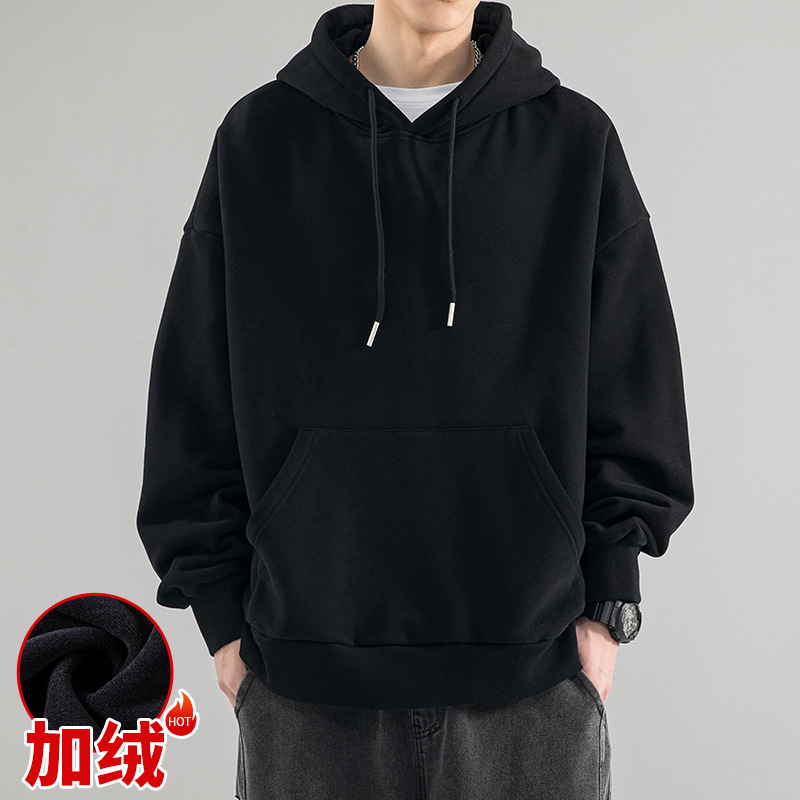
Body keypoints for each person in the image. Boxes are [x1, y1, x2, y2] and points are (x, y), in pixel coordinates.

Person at [136, 2, 694, 797]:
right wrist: (222, 621)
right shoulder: (261, 141)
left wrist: (608, 601)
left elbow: (634, 383)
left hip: (532, 684)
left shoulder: (573, 142)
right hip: (304, 683)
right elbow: (192, 396)